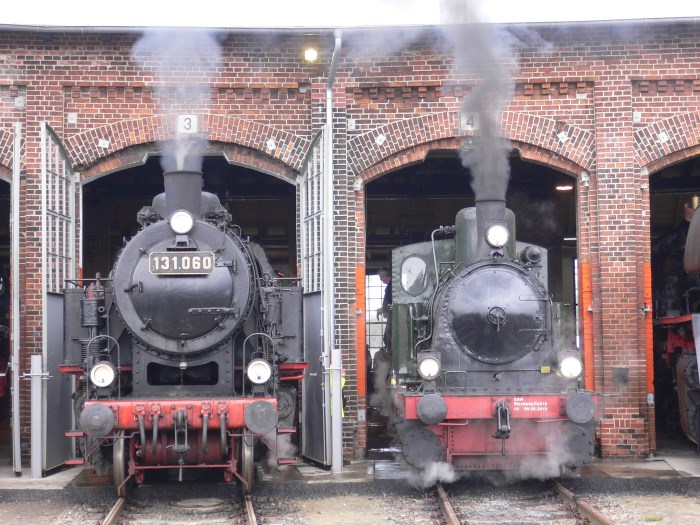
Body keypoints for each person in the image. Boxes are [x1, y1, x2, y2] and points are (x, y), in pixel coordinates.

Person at [377, 268, 392, 348]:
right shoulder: (390, 286)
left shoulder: (391, 287)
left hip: (392, 315)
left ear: (385, 276)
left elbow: (390, 302)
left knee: (387, 338)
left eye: (380, 277)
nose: (380, 279)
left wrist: (383, 309)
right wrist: (382, 309)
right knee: (387, 338)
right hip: (390, 315)